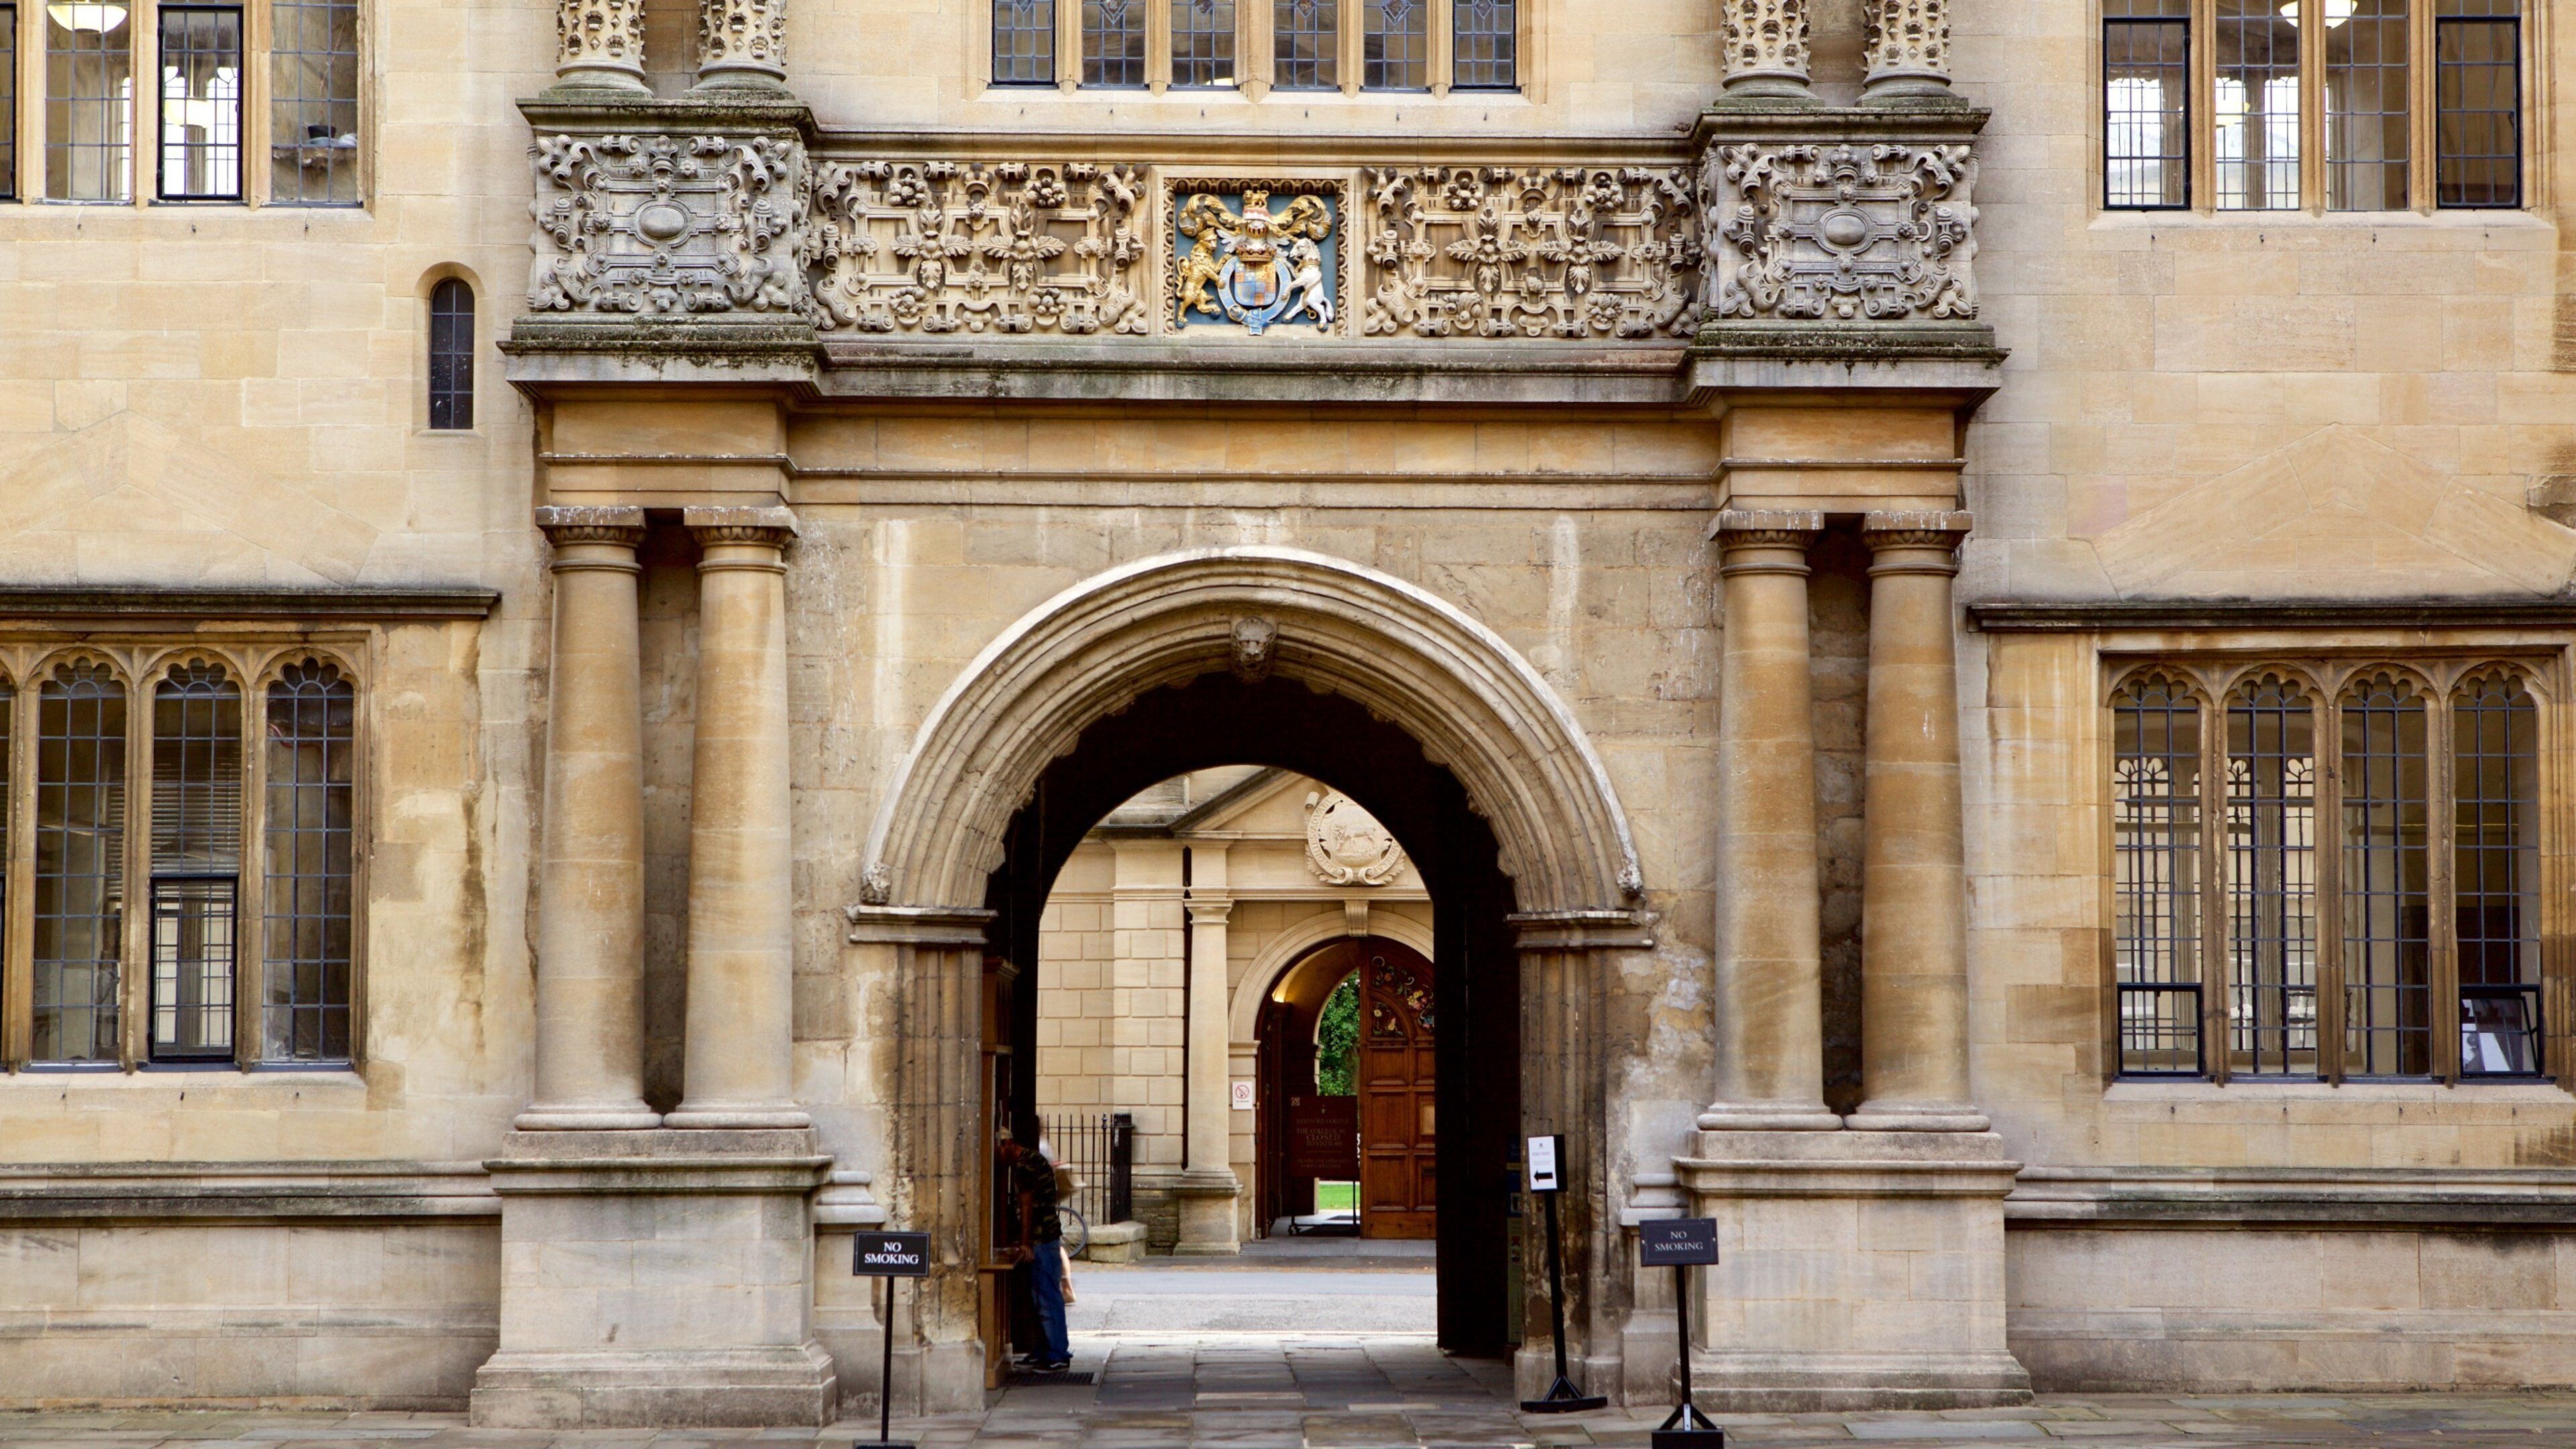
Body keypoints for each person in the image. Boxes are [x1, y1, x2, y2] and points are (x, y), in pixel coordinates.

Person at [998, 1129, 1071, 1373]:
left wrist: (1026, 1242)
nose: (997, 1157)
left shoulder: (1024, 1165)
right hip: (1045, 1237)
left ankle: (1057, 1353)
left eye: (998, 1150)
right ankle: (1043, 1351)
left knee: (1047, 1297)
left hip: (1041, 1239)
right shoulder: (1032, 1158)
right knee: (1039, 1297)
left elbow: (1026, 1205)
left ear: (1007, 1143)